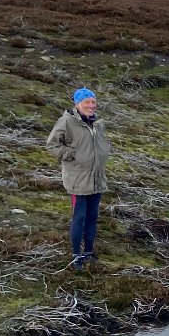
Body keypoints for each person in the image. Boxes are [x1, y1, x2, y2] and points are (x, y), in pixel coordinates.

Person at [46, 88, 111, 270]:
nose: (91, 105)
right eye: (87, 102)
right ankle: (76, 256)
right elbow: (52, 144)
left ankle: (89, 252)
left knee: (92, 216)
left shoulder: (97, 123)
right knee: (79, 217)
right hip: (78, 179)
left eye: (93, 102)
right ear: (77, 104)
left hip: (97, 178)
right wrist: (71, 154)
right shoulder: (67, 121)